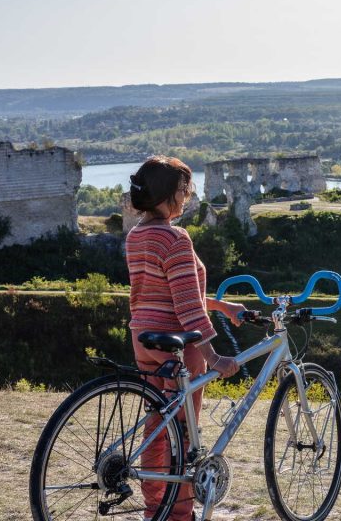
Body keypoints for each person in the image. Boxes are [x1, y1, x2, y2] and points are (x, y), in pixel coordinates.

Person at [126, 155, 245, 520]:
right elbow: (188, 307)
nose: (188, 196)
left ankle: (153, 510)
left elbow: (166, 289)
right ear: (168, 195)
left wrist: (221, 306)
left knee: (157, 426)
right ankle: (178, 514)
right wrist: (214, 357)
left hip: (145, 338)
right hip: (180, 344)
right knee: (183, 433)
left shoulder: (137, 235)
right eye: (184, 190)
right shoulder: (176, 238)